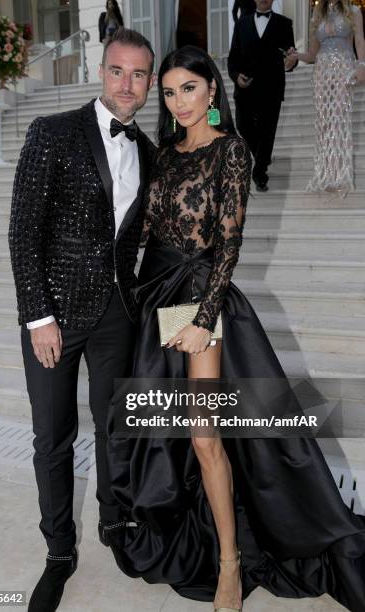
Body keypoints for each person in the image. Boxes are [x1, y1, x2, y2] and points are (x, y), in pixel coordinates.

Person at [104, 45, 365, 612]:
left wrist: (203, 321)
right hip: (157, 299)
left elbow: (229, 247)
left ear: (213, 90)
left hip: (201, 299)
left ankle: (228, 563)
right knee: (168, 433)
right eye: (169, 92)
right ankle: (191, 525)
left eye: (189, 89)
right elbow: (142, 232)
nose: (179, 102)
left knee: (203, 436)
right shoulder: (166, 155)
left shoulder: (231, 151)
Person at [8, 28, 156, 612]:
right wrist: (37, 315)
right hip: (55, 317)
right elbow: (24, 230)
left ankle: (113, 525)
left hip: (117, 313)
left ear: (149, 82)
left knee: (115, 428)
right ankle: (58, 551)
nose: (127, 84)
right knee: (53, 437)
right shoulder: (53, 131)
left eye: (139, 74)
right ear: (102, 71)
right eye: (118, 71)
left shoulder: (146, 150)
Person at [288, 0, 365, 196]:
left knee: (339, 120)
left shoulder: (354, 11)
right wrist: (297, 56)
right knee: (323, 123)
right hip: (321, 71)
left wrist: (361, 66)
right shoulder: (317, 15)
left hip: (344, 69)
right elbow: (313, 54)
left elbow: (360, 41)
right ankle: (325, 174)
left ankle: (340, 176)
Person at [227, 0, 298, 192]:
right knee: (243, 125)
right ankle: (262, 158)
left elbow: (291, 56)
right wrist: (236, 76)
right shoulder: (241, 24)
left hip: (271, 88)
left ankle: (259, 174)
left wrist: (291, 62)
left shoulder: (284, 23)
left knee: (267, 131)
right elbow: (233, 58)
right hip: (245, 88)